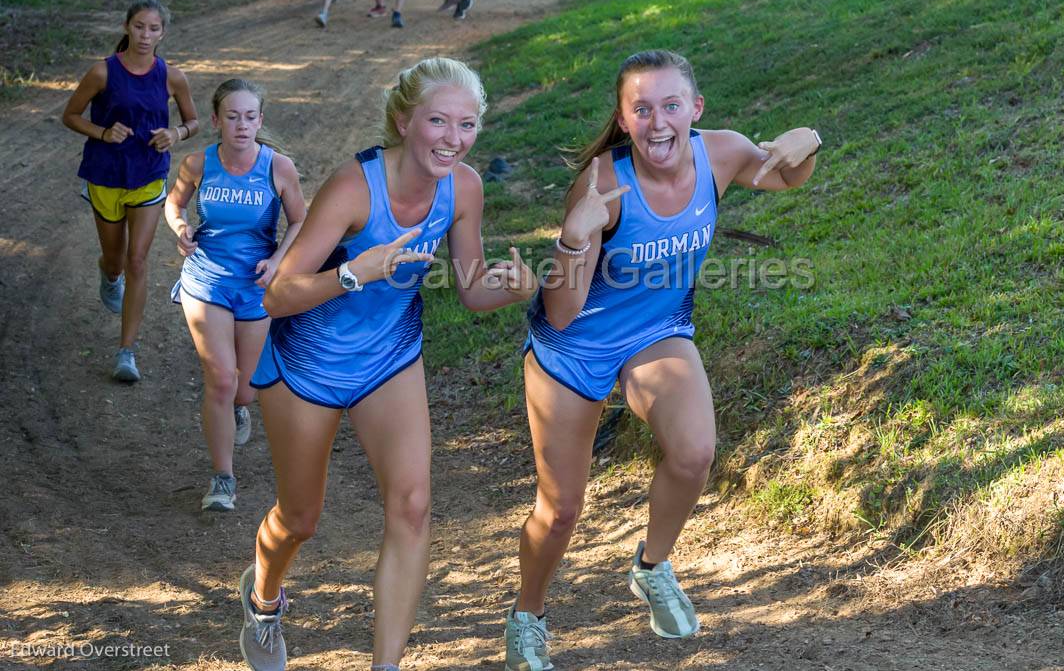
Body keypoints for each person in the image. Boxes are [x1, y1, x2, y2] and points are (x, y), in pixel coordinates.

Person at [503, 49, 821, 671]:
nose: (658, 123)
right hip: (572, 345)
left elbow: (786, 175)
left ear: (695, 109)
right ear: (623, 119)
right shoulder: (604, 184)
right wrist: (572, 237)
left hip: (657, 330)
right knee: (562, 507)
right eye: (641, 109)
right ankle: (528, 614)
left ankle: (651, 567)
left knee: (695, 451)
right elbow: (563, 311)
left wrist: (807, 139)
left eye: (671, 105)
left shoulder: (721, 152)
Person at [237, 58, 536, 671]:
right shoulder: (354, 187)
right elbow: (277, 295)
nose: (453, 139)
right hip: (306, 363)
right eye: (438, 121)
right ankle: (264, 599)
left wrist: (517, 288)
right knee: (300, 519)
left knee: (412, 506)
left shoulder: (464, 189)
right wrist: (354, 272)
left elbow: (473, 289)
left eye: (468, 124)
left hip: (390, 359)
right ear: (404, 120)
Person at [164, 80, 306, 513]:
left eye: (250, 117)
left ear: (260, 121)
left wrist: (279, 259)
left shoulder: (278, 167)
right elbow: (174, 206)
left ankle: (238, 408)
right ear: (216, 120)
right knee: (221, 379)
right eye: (232, 116)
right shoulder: (197, 164)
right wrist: (181, 229)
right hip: (206, 279)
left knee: (245, 390)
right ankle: (222, 478)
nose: (241, 125)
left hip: (256, 287)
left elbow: (301, 221)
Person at [61, 0, 199, 383]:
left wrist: (175, 133)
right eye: (139, 26)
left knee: (139, 261)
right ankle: (108, 276)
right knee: (116, 259)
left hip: (149, 175)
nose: (145, 34)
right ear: (127, 27)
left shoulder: (171, 76)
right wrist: (103, 132)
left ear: (163, 33)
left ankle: (126, 352)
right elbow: (70, 115)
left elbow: (194, 122)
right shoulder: (102, 72)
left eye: (154, 28)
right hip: (105, 175)